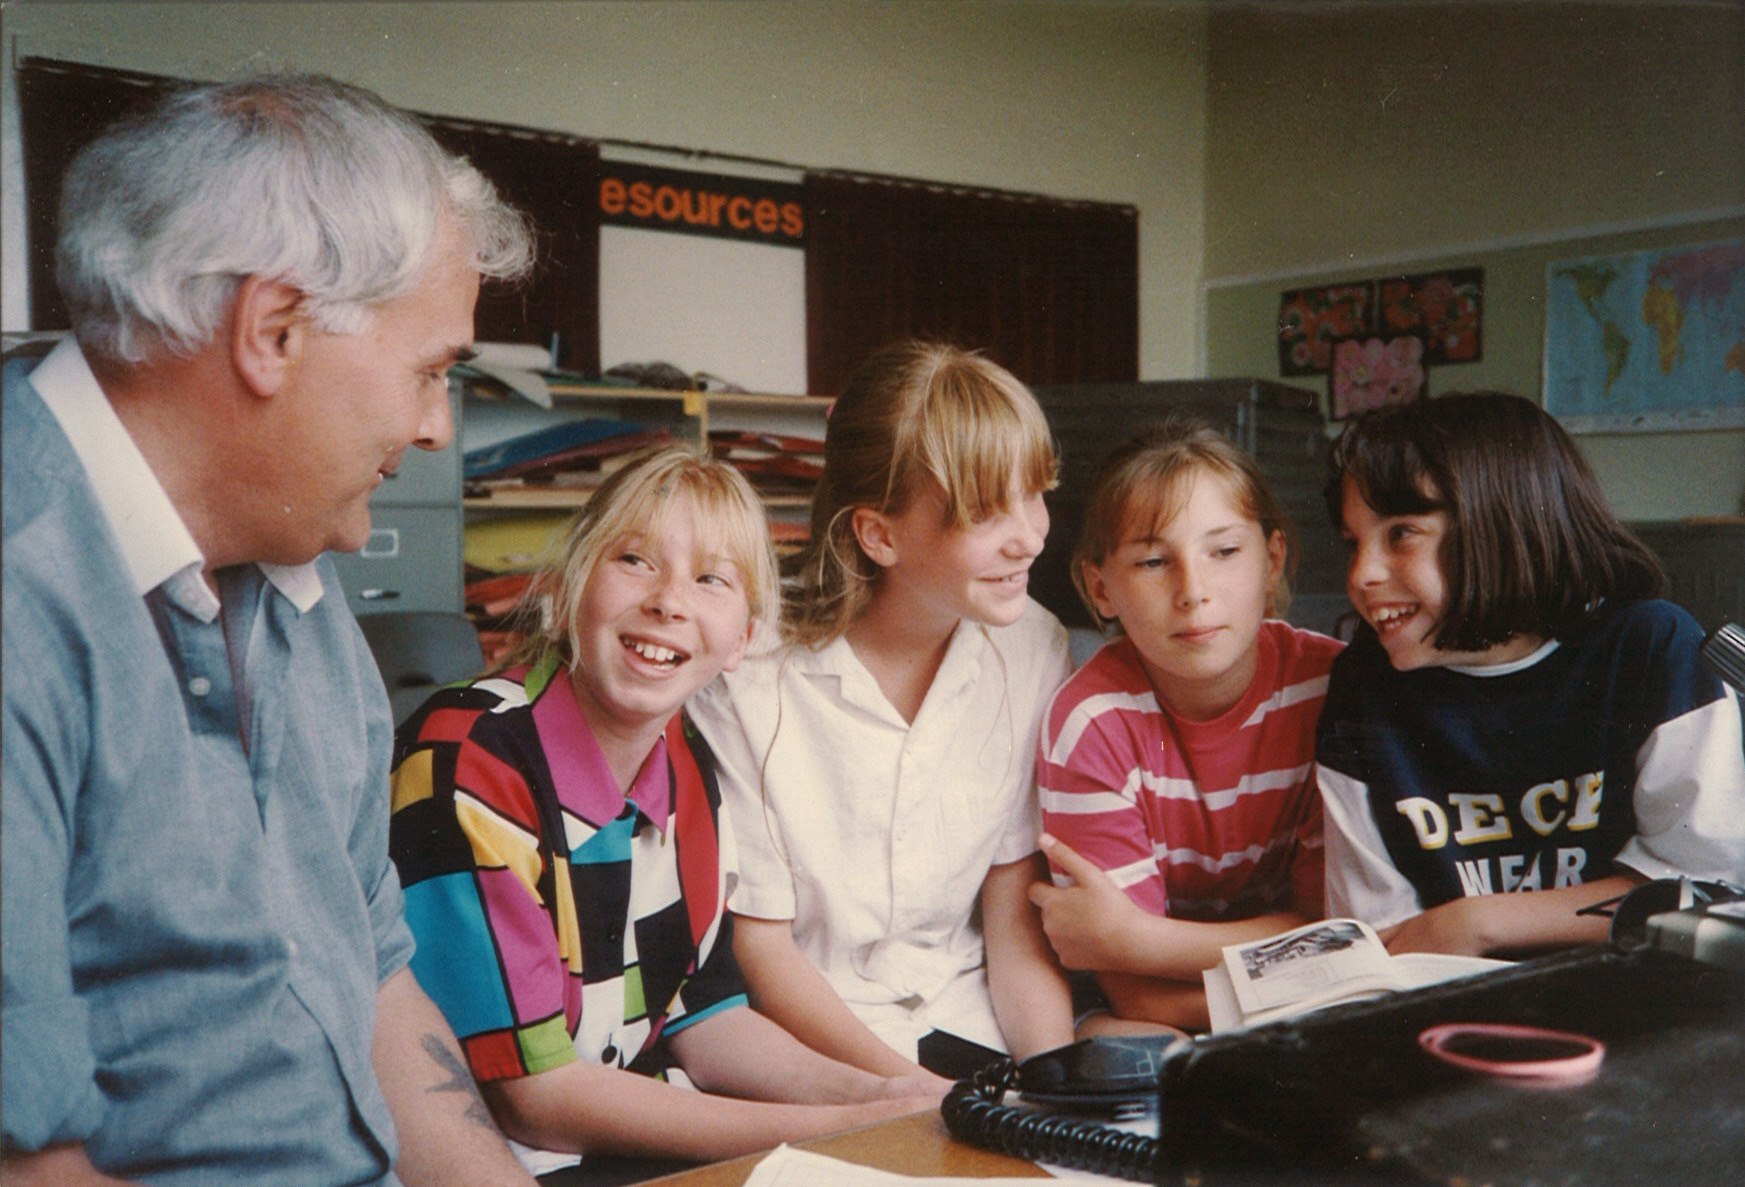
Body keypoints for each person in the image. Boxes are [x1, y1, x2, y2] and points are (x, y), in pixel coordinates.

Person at [2, 76, 540, 1186]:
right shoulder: (23, 595)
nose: (437, 428)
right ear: (273, 329)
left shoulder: (289, 563)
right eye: (431, 371)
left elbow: (375, 976)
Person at [387, 443, 940, 1178]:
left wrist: (892, 1095)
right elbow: (533, 1098)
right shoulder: (468, 757)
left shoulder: (686, 763)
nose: (670, 602)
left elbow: (704, 1017)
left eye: (711, 579)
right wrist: (838, 1128)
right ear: (567, 590)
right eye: (635, 560)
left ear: (743, 639)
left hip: (609, 1144)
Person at [688, 341, 1077, 1084]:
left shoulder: (1033, 644)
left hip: (970, 1020)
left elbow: (1011, 919)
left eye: (1034, 493)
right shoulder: (747, 669)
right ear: (879, 534)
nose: (1030, 535)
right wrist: (921, 1098)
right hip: (817, 1050)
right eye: (986, 512)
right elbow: (763, 950)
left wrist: (1057, 1081)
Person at [1316, 391, 1745, 956]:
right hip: (1445, 995)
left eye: (1401, 533)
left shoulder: (1653, 651)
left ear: (1503, 522)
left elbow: (1706, 892)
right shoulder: (1362, 684)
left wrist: (1479, 922)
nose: (1361, 574)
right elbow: (1379, 935)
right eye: (1353, 543)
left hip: (1632, 987)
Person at [1029, 421, 1342, 1034]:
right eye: (1152, 561)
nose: (1193, 592)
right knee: (1120, 1040)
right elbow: (1139, 999)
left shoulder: (1333, 691)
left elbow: (1337, 930)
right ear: (1101, 588)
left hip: (1276, 1003)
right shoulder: (1090, 723)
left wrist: (1138, 939)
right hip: (1162, 1011)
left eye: (1224, 552)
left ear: (1273, 560)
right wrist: (1310, 981)